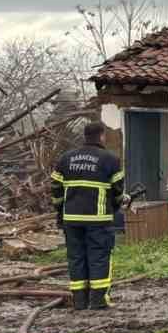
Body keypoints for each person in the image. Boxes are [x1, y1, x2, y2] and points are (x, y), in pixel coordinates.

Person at [50, 121, 125, 310]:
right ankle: (98, 300)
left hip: (71, 219)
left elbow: (56, 188)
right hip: (98, 219)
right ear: (102, 136)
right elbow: (118, 190)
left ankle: (80, 301)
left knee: (76, 257)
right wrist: (116, 206)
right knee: (98, 257)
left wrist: (60, 210)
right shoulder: (110, 159)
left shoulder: (66, 158)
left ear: (85, 136)